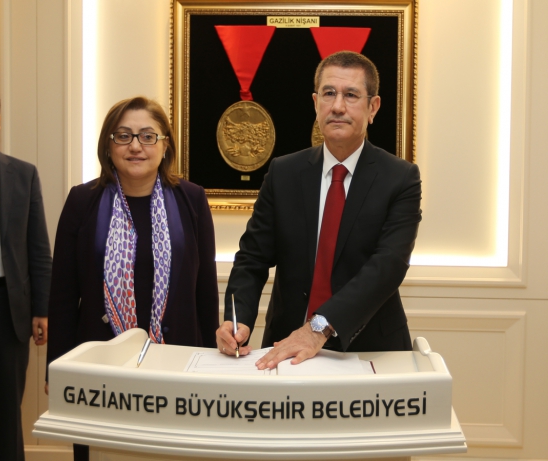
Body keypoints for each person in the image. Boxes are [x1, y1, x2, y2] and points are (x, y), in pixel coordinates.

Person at [216, 51, 422, 370]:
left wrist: (318, 328)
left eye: (351, 95)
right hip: (286, 347)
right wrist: (237, 319)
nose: (337, 106)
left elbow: (387, 266)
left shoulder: (401, 178)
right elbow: (252, 257)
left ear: (373, 107)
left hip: (370, 350)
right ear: (316, 104)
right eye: (328, 93)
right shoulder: (284, 173)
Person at [46, 96, 219, 461]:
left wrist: (212, 364)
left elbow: (205, 291)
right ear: (108, 145)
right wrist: (57, 369)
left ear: (165, 145)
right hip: (97, 369)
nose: (136, 146)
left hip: (179, 365)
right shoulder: (82, 201)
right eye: (123, 136)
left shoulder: (191, 199)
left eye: (147, 136)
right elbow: (62, 294)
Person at [0, 83, 52, 461]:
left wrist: (41, 309)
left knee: (4, 411)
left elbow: (39, 249)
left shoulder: (22, 175)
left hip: (6, 308)